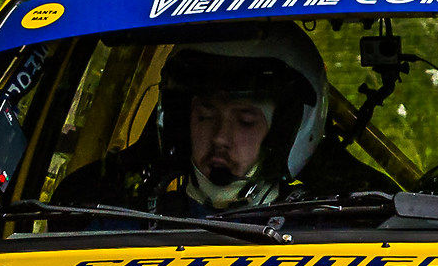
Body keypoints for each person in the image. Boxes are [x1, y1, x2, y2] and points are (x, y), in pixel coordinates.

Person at [56, 26, 393, 220]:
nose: (220, 137)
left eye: (245, 121)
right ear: (180, 121)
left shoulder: (339, 230)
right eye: (205, 116)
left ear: (287, 132)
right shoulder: (114, 222)